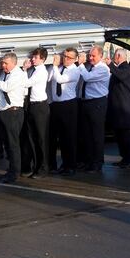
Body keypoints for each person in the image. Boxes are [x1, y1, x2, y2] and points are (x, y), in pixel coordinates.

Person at [0, 52, 26, 183]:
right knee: (7, 144)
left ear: (14, 63)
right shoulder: (3, 74)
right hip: (3, 112)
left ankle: (15, 173)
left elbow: (6, 87)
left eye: (6, 63)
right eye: (2, 63)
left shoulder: (18, 74)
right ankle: (10, 170)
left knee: (13, 144)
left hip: (12, 112)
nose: (3, 65)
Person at [77, 45, 111, 173]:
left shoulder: (103, 69)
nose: (90, 58)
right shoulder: (91, 67)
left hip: (97, 103)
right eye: (89, 55)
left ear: (100, 56)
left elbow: (87, 78)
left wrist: (80, 64)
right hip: (87, 102)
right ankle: (89, 161)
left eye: (93, 56)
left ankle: (97, 163)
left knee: (96, 135)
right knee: (87, 134)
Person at [48, 48, 81, 176]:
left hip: (68, 105)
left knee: (69, 137)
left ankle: (70, 165)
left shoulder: (75, 70)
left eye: (69, 57)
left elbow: (60, 79)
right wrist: (54, 65)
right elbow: (50, 78)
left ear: (75, 59)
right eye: (65, 56)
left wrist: (55, 66)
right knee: (59, 137)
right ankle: (62, 164)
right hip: (56, 104)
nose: (66, 59)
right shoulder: (58, 68)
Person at [22, 48, 51, 178]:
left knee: (41, 139)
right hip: (32, 107)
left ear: (43, 59)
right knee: (32, 138)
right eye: (33, 57)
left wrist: (24, 70)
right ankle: (36, 166)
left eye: (36, 57)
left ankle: (44, 168)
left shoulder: (41, 71)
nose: (33, 59)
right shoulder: (35, 70)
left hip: (40, 107)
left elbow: (27, 83)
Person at [107, 48, 130, 168]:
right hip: (118, 110)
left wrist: (110, 64)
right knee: (120, 137)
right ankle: (125, 158)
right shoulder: (119, 69)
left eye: (115, 55)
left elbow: (120, 76)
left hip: (125, 110)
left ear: (118, 56)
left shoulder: (126, 68)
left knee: (127, 138)